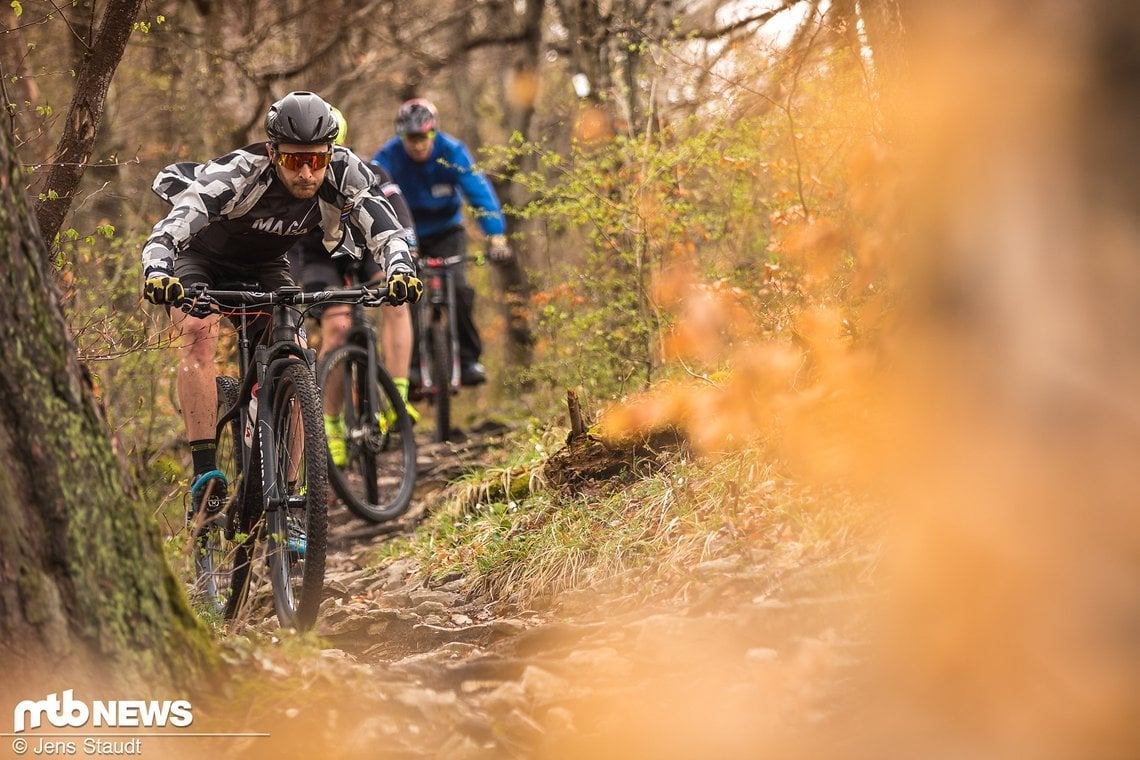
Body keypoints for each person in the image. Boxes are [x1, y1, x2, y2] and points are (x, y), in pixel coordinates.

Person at [142, 90, 422, 526]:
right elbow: (173, 226)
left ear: (330, 151)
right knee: (199, 334)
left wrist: (400, 269)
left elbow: (382, 224)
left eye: (317, 159)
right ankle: (205, 472)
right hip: (200, 259)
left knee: (295, 354)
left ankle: (288, 498)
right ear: (272, 153)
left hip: (266, 265)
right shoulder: (236, 174)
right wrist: (159, 272)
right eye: (294, 161)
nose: (308, 172)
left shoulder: (344, 169)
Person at [287, 106, 419, 468]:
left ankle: (399, 395)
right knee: (338, 326)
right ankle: (329, 422)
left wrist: (405, 256)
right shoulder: (301, 180)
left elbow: (398, 212)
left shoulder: (371, 171)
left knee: (396, 298)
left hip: (364, 251)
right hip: (319, 257)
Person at [372, 98, 511, 389]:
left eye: (425, 137)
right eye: (411, 139)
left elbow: (479, 192)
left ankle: (470, 360)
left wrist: (495, 235)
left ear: (434, 132)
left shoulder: (453, 152)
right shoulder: (389, 157)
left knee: (460, 288)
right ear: (402, 137)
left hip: (448, 230)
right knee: (405, 292)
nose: (419, 145)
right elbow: (371, 194)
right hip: (407, 232)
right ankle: (409, 368)